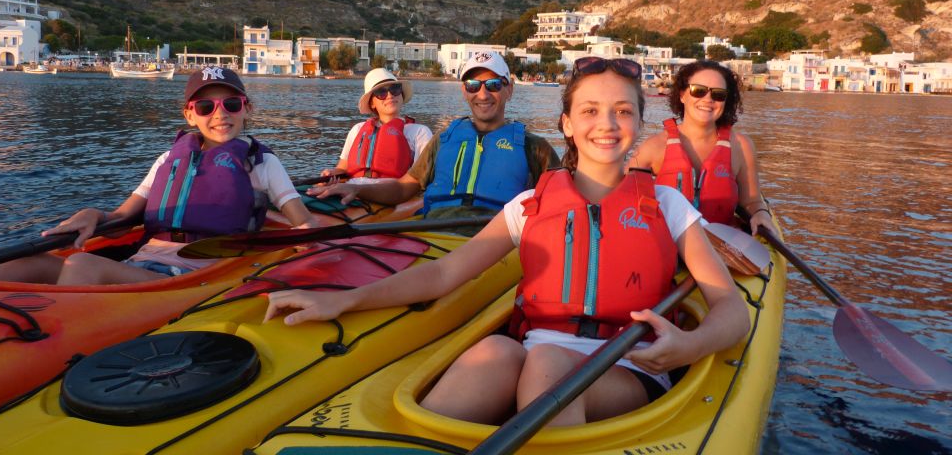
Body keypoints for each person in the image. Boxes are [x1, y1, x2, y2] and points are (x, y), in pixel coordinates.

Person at [265, 56, 750, 426]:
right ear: (567, 124)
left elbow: (730, 309)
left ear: (639, 124)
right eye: (590, 110)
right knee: (493, 353)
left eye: (622, 111)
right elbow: (442, 274)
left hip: (627, 366)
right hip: (536, 355)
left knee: (548, 361)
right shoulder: (527, 205)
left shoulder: (667, 206)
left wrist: (689, 347)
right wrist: (344, 301)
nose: (606, 124)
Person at [0, 67, 317, 286]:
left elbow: (301, 221)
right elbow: (121, 214)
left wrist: (307, 242)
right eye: (206, 107)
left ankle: (51, 349)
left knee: (82, 265)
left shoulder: (260, 163)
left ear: (247, 109)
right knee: (20, 262)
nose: (220, 114)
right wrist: (92, 213)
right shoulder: (168, 159)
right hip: (143, 263)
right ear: (190, 114)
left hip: (198, 271)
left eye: (231, 104)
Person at [308, 51, 560, 220]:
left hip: (491, 241)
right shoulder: (443, 140)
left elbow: (560, 206)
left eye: (493, 84)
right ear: (464, 91)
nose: (482, 95)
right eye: (473, 86)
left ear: (509, 90)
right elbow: (403, 188)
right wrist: (355, 188)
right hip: (431, 232)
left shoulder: (534, 148)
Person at [629, 60, 777, 236]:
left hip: (721, 247)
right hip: (669, 246)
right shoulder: (653, 147)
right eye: (698, 91)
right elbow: (622, 194)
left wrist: (761, 213)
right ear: (682, 95)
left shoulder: (741, 146)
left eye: (719, 94)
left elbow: (752, 201)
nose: (708, 99)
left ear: (726, 101)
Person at [320, 68, 432, 183]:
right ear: (372, 103)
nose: (389, 95)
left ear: (401, 95)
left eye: (395, 89)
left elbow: (420, 178)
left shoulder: (419, 132)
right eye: (381, 92)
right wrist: (331, 174)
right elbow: (342, 169)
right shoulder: (357, 129)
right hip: (352, 190)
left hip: (391, 194)